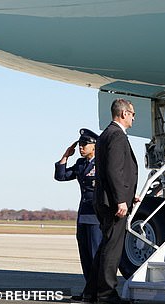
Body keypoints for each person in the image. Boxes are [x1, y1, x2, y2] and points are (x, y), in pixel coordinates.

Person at [83, 99, 139, 304]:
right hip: (113, 203)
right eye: (133, 113)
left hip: (107, 199)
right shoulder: (116, 135)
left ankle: (91, 292)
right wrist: (120, 200)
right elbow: (114, 170)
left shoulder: (106, 135)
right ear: (124, 114)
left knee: (106, 245)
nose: (134, 117)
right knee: (112, 249)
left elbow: (114, 172)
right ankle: (106, 294)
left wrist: (128, 194)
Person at [54, 128, 102, 301]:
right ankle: (89, 291)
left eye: (85, 144)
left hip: (97, 215)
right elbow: (61, 176)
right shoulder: (81, 164)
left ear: (94, 146)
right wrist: (66, 155)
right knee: (85, 255)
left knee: (96, 254)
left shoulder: (102, 164)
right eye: (80, 144)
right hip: (83, 215)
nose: (81, 147)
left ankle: (98, 292)